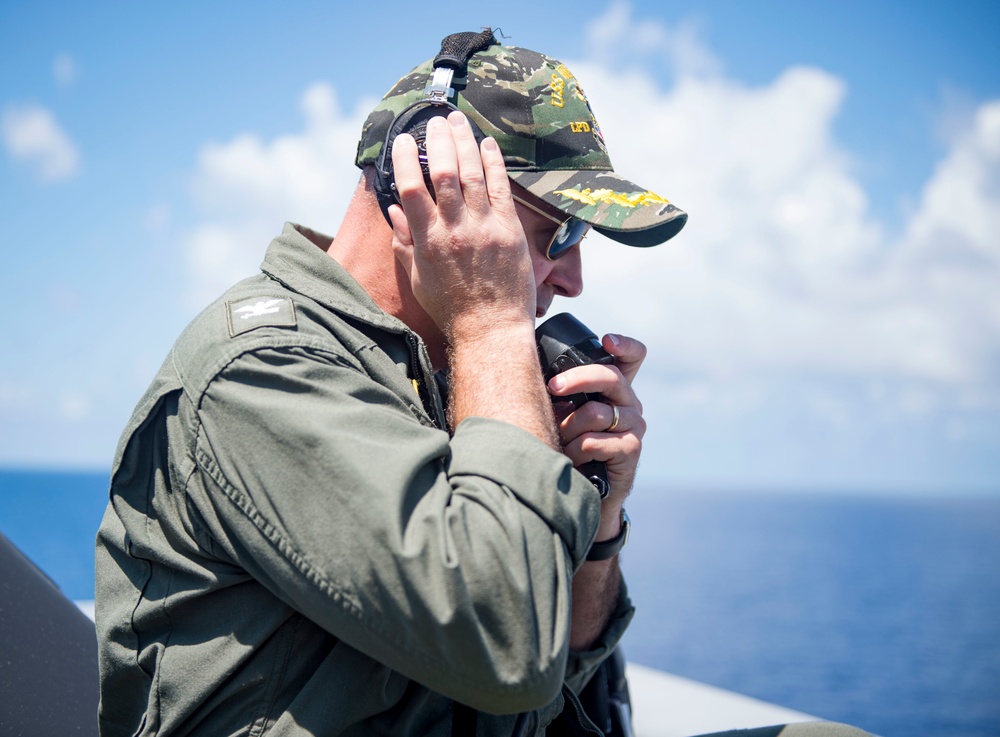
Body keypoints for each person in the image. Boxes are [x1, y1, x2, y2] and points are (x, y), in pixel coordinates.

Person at [94, 30, 870, 737]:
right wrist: (494, 323)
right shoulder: (262, 373)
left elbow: (561, 681)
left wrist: (597, 517)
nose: (572, 276)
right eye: (556, 232)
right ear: (424, 192)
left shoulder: (452, 370)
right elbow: (507, 644)